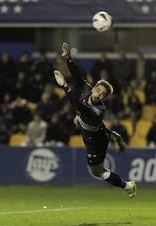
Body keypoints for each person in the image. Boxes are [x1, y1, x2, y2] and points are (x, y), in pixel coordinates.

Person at [53, 42, 136, 198]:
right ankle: (113, 134)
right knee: (79, 120)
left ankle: (127, 185)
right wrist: (69, 59)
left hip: (96, 142)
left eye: (102, 94)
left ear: (104, 98)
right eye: (98, 90)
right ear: (94, 87)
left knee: (98, 172)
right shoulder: (87, 89)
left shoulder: (99, 110)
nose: (98, 94)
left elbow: (78, 106)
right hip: (92, 128)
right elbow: (78, 76)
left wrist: (65, 86)